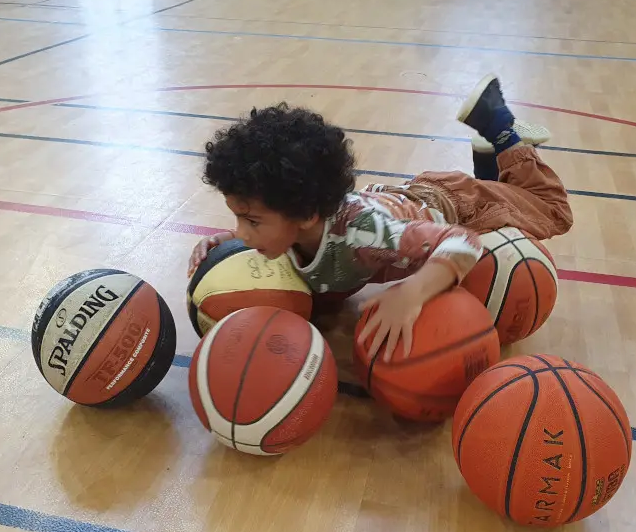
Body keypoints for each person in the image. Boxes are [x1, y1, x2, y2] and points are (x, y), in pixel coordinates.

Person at [186, 75, 573, 362]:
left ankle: (499, 127)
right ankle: (487, 159)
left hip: (457, 203)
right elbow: (268, 230)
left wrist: (413, 291)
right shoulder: (296, 222)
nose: (241, 232)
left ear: (305, 215)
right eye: (238, 220)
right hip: (398, 203)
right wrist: (225, 245)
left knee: (551, 209)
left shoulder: (364, 235)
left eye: (251, 222)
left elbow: (461, 242)